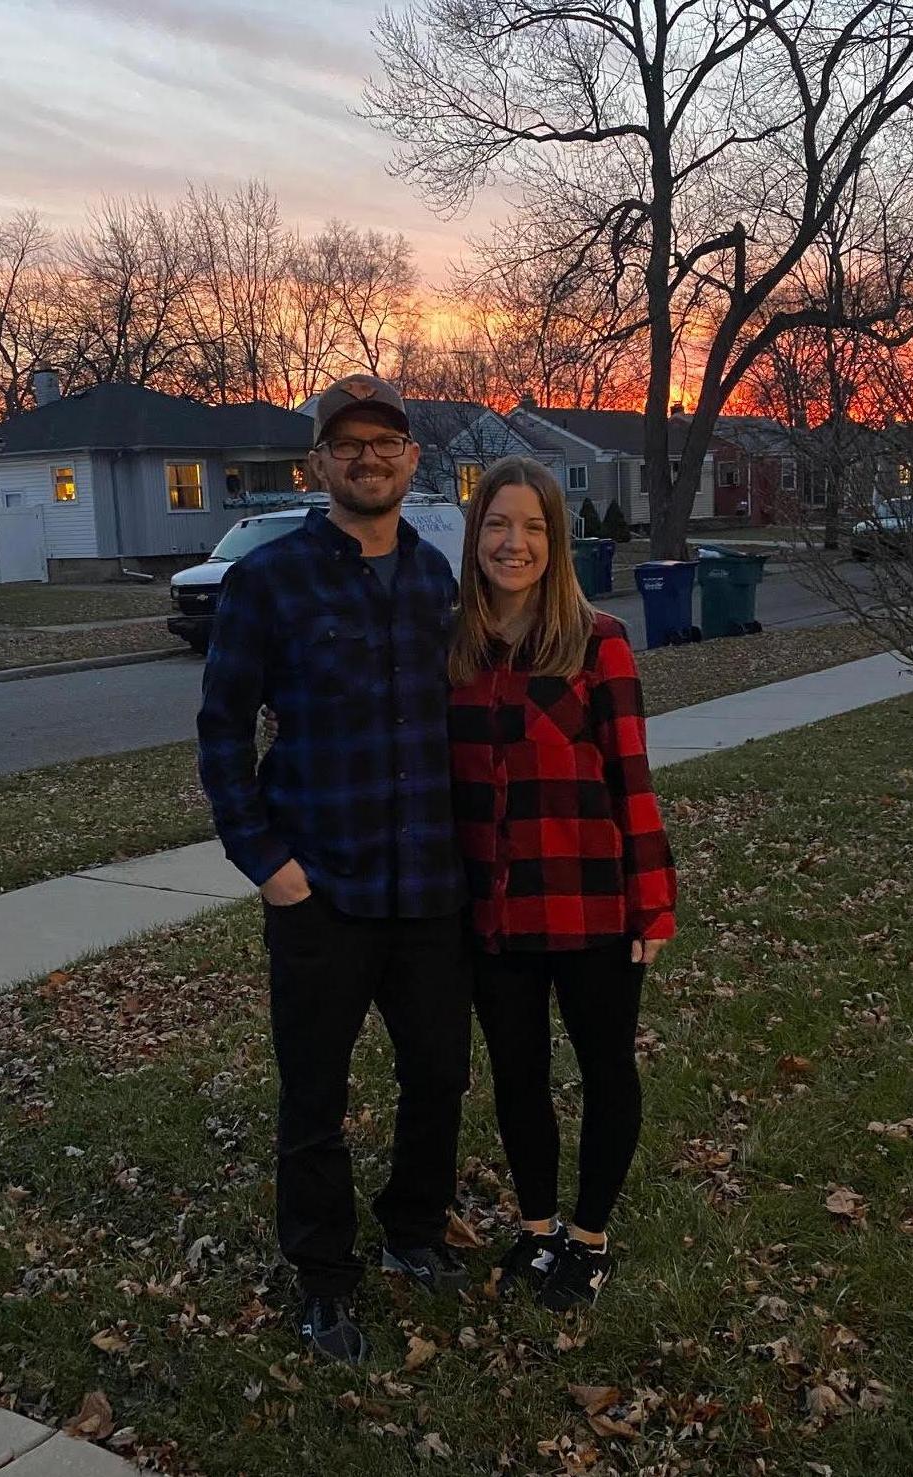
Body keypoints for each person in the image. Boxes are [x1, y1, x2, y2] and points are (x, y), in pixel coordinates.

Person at [197, 374, 469, 1365]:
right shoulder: (268, 582)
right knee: (313, 1092)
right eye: (347, 444)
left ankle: (410, 1229)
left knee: (438, 1072)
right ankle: (322, 1275)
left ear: (409, 460)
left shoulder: (438, 579)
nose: (368, 458)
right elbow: (221, 734)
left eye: (385, 443)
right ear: (317, 463)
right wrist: (268, 864)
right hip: (322, 892)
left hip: (429, 887)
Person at [447, 456, 677, 1310]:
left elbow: (632, 778)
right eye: (499, 526)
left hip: (590, 902)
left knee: (605, 1068)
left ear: (557, 540)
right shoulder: (456, 651)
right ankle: (538, 1227)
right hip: (495, 912)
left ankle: (588, 1237)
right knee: (516, 1074)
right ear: (476, 539)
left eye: (534, 527)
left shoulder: (597, 641)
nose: (515, 544)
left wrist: (653, 897)